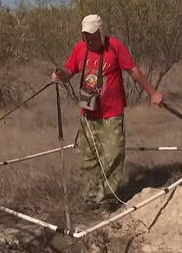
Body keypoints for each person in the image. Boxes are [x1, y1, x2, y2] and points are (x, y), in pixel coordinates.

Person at [52, 14, 163, 213]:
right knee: (87, 158)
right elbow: (69, 71)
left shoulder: (114, 46)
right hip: (88, 114)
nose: (89, 39)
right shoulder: (79, 48)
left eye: (93, 35)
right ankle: (90, 198)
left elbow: (134, 71)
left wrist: (153, 94)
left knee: (112, 155)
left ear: (101, 32)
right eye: (85, 35)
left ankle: (106, 200)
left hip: (111, 113)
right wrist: (60, 75)